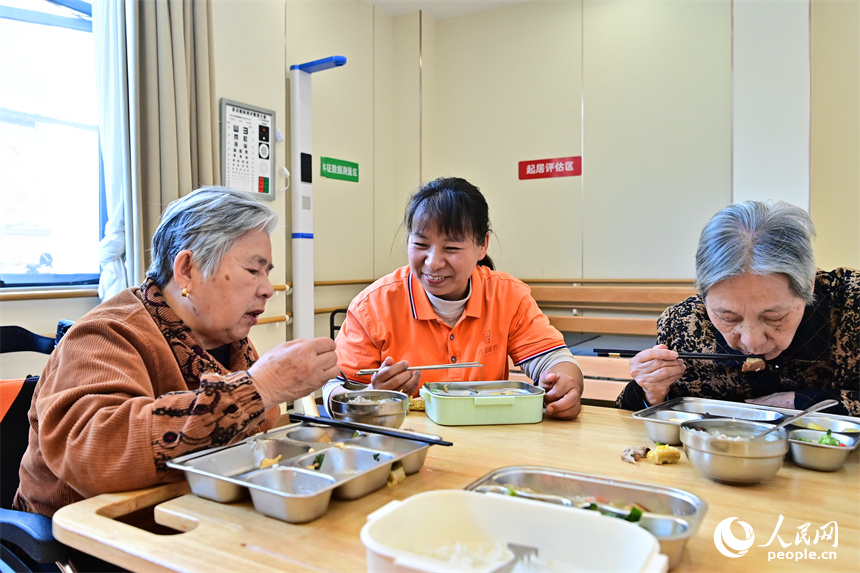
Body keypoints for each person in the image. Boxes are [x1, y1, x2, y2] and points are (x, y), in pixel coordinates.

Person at [14, 187, 340, 519]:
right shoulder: (104, 334)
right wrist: (261, 388)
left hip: (198, 513)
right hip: (93, 535)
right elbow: (95, 452)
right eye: (253, 271)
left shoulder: (228, 340)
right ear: (186, 269)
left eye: (267, 272)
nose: (267, 289)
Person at [328, 177, 583, 420]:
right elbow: (335, 390)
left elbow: (554, 360)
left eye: (451, 248)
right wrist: (371, 397)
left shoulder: (508, 296)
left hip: (491, 435)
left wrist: (564, 386)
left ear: (482, 245)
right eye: (421, 245)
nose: (433, 263)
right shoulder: (372, 306)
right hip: (407, 440)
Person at [616, 200, 859, 417]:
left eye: (774, 317)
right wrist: (651, 391)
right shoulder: (684, 323)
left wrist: (805, 403)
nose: (752, 341)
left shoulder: (852, 304)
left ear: (809, 284)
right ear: (704, 296)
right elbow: (630, 418)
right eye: (728, 318)